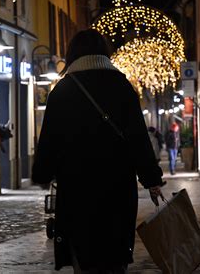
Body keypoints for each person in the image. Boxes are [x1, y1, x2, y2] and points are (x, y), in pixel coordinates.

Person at [32, 29, 164, 273]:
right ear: (105, 54)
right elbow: (138, 139)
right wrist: (151, 179)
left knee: (83, 256)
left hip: (76, 192)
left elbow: (49, 140)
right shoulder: (122, 87)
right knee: (114, 257)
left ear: (72, 55)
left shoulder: (62, 92)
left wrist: (42, 173)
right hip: (117, 190)